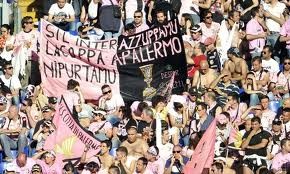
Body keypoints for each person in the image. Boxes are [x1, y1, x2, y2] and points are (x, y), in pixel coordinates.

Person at [15, 16, 38, 87]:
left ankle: (34, 97)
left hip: (33, 59)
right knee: (24, 81)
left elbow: (42, 45)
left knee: (34, 81)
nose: (32, 24)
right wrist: (23, 45)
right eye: (30, 22)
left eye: (32, 22)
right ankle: (23, 96)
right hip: (23, 60)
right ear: (25, 24)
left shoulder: (36, 33)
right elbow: (15, 48)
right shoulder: (19, 35)